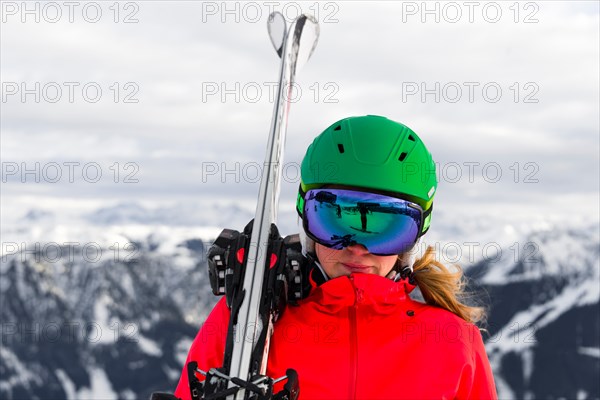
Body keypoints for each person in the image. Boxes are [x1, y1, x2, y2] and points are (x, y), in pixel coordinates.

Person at [174, 115, 498, 399]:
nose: (358, 247)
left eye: (386, 227)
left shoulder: (452, 341)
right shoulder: (251, 316)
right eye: (335, 219)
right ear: (306, 221)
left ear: (412, 239)